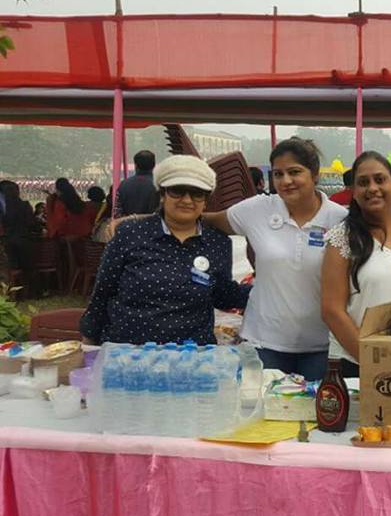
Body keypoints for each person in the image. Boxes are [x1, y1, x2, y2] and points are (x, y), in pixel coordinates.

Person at [200, 138, 349, 380]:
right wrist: (136, 220)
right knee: (260, 415)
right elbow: (205, 219)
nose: (286, 181)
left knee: (318, 415)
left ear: (314, 175)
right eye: (278, 174)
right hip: (263, 344)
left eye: (295, 172)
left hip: (321, 347)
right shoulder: (256, 210)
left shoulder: (340, 219)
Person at [80, 155, 250, 345]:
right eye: (177, 191)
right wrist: (88, 342)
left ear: (206, 200)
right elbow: (103, 291)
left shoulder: (217, 242)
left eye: (197, 193)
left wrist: (269, 292)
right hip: (129, 352)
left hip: (193, 355)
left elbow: (221, 294)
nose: (187, 200)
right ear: (162, 194)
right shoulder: (130, 233)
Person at [321, 151, 391, 377]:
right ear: (354, 192)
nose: (372, 188)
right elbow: (332, 310)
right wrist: (374, 361)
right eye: (363, 183)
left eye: (380, 180)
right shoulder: (341, 238)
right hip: (358, 363)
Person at [1, 181, 38, 274]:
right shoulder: (25, 205)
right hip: (24, 241)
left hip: (7, 243)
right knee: (29, 272)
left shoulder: (4, 208)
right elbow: (32, 224)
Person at [117, 150, 161, 216]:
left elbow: (117, 211)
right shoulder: (158, 185)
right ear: (154, 165)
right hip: (152, 225)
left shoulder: (123, 184)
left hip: (128, 224)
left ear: (135, 165)